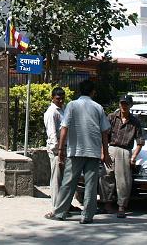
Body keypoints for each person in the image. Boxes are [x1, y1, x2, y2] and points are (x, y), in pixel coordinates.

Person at [45, 79, 111, 224]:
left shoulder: (72, 105)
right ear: (93, 92)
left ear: (80, 91)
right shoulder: (98, 107)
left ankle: (60, 212)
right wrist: (105, 152)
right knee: (91, 184)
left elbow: (64, 128)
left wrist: (61, 149)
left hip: (75, 151)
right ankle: (87, 216)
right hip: (93, 152)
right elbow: (105, 132)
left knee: (68, 182)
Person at [105, 94, 144, 218]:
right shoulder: (111, 117)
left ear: (130, 105)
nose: (124, 106)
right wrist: (103, 151)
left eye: (126, 104)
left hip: (125, 150)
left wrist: (134, 156)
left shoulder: (135, 121)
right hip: (111, 148)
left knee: (123, 180)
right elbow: (104, 134)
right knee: (107, 176)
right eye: (122, 103)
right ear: (119, 104)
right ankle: (107, 204)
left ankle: (122, 206)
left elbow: (140, 141)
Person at [44, 87, 66, 208]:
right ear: (53, 98)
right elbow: (52, 133)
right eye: (58, 99)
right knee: (56, 179)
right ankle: (56, 206)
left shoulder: (64, 109)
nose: (61, 101)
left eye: (62, 98)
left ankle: (63, 204)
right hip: (57, 150)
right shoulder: (52, 112)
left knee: (63, 179)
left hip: (64, 148)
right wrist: (58, 151)